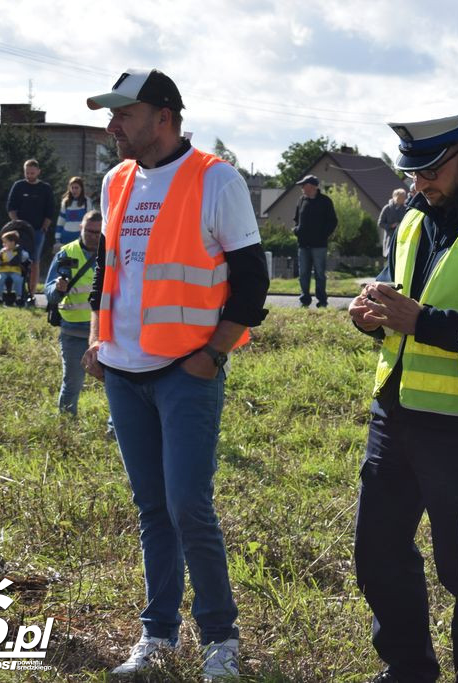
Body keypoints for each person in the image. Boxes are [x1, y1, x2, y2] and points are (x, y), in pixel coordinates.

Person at [80, 68, 269, 678]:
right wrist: (97, 340)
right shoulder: (116, 182)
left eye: (124, 115)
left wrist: (211, 355)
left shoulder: (217, 180)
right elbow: (110, 272)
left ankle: (221, 639)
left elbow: (252, 284)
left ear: (163, 116)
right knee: (152, 507)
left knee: (189, 503)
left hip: (185, 372)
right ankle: (157, 635)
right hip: (122, 371)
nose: (113, 128)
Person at [348, 105, 458, 683]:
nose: (421, 183)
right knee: (377, 553)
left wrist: (420, 321)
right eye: (414, 173)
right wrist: (373, 317)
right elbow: (400, 304)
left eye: (432, 170)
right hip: (392, 410)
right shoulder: (413, 217)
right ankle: (408, 668)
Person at [45, 210, 101, 415]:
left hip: (105, 334)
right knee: (72, 383)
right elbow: (49, 293)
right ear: (81, 229)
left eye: (98, 231)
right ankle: (66, 427)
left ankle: (114, 430)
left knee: (115, 387)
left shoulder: (113, 253)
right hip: (74, 332)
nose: (94, 235)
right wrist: (58, 289)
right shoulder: (67, 253)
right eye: (89, 231)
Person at [6, 159, 56, 297]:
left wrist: (45, 227)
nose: (29, 175)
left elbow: (50, 210)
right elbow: (11, 207)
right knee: (17, 258)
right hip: (20, 231)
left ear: (38, 172)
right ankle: (17, 291)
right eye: (27, 173)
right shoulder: (18, 186)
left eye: (32, 173)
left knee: (34, 261)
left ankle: (32, 292)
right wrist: (16, 223)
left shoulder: (45, 188)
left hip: (38, 231)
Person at [293, 174, 337, 308]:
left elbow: (333, 221)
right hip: (303, 245)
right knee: (303, 274)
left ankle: (322, 301)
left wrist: (323, 235)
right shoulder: (301, 200)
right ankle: (304, 299)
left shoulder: (325, 201)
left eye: (303, 185)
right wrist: (297, 230)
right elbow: (296, 219)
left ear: (312, 186)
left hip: (319, 246)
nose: (301, 188)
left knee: (319, 274)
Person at [54, 176, 93, 251]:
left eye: (76, 188)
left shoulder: (87, 202)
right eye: (72, 188)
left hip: (80, 238)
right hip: (66, 237)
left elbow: (90, 222)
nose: (74, 190)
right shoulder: (65, 202)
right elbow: (60, 221)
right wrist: (57, 238)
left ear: (81, 188)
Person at [0, 230, 28, 302]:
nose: (3, 244)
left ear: (12, 242)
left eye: (5, 242)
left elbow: (25, 258)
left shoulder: (19, 251)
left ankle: (19, 296)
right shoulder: (2, 251)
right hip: (3, 271)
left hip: (15, 270)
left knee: (17, 280)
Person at [377, 187, 408, 258]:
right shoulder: (387, 209)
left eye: (404, 197)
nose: (403, 199)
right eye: (401, 197)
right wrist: (391, 226)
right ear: (395, 197)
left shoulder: (406, 209)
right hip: (390, 238)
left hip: (402, 238)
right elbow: (380, 223)